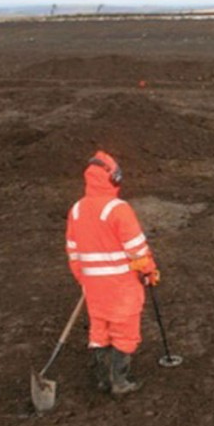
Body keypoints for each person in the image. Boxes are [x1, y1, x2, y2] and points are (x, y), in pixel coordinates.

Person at [65, 151, 160, 396]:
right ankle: (120, 381)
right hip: (121, 287)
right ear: (114, 178)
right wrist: (150, 271)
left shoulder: (76, 210)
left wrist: (85, 280)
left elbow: (73, 252)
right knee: (124, 331)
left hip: (94, 288)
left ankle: (102, 379)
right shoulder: (119, 209)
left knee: (100, 330)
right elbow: (138, 250)